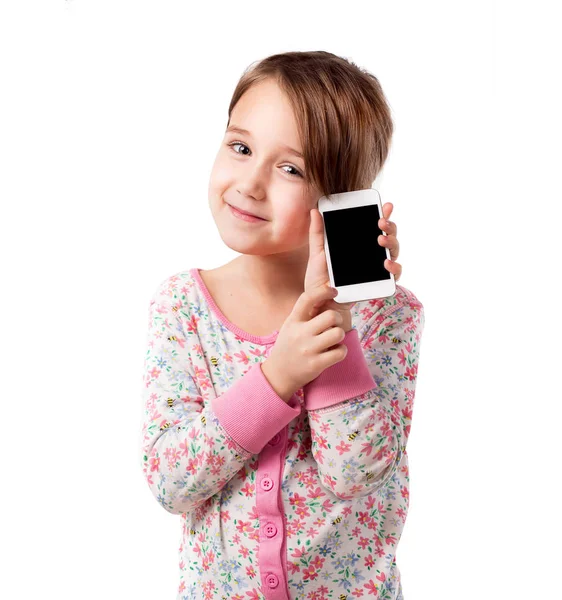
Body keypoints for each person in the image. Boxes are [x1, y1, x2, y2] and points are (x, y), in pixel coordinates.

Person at [139, 50, 425, 600]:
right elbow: (171, 481)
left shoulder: (388, 316)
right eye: (241, 147)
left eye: (290, 168)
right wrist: (276, 376)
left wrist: (333, 321)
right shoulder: (182, 307)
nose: (249, 183)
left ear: (341, 201)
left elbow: (357, 472)